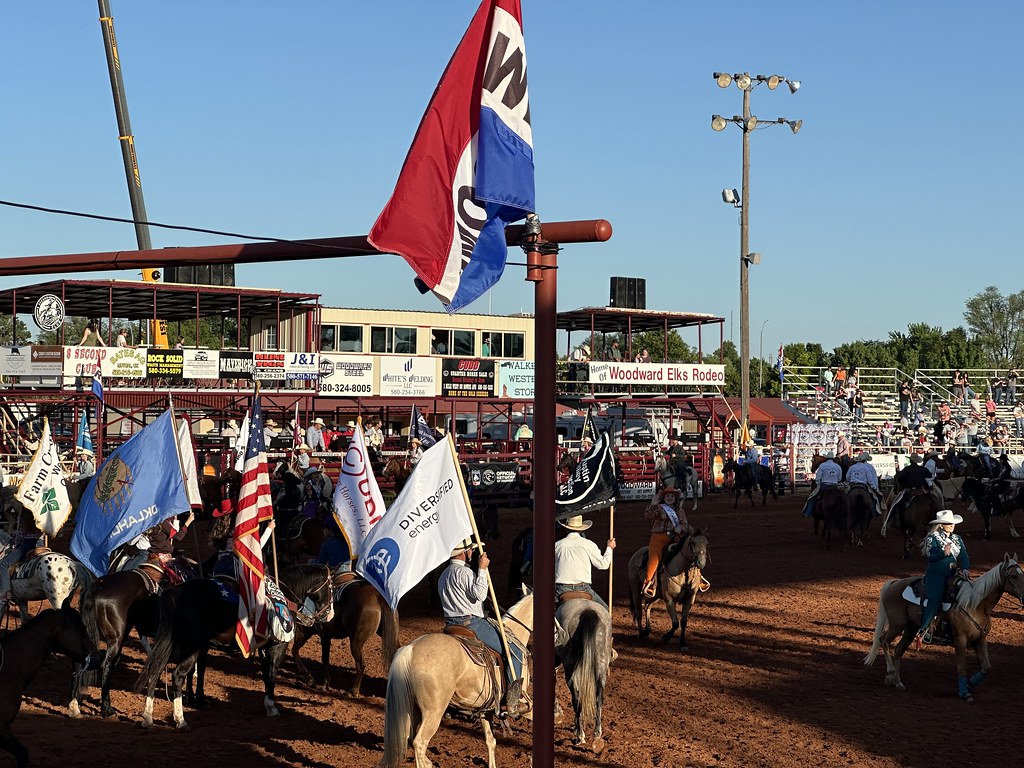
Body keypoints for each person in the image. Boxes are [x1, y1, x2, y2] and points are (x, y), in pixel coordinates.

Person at [438, 538, 523, 716]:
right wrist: (482, 570)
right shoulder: (466, 573)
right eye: (470, 550)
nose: (472, 553)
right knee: (514, 650)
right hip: (472, 624)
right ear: (464, 552)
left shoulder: (443, 575)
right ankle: (512, 701)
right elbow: (481, 594)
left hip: (450, 625)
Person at [917, 509, 970, 642]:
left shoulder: (957, 539)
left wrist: (965, 568)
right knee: (935, 599)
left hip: (953, 574)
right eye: (948, 523)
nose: (952, 525)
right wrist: (943, 554)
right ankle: (924, 630)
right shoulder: (932, 537)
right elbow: (931, 557)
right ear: (941, 525)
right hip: (936, 574)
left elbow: (963, 556)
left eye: (953, 523)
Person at [554, 515, 614, 609]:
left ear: (566, 529)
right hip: (584, 589)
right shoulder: (588, 544)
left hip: (562, 589)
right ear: (581, 530)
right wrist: (609, 548)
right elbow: (603, 565)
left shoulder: (557, 545)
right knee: (605, 609)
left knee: (545, 613)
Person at [641, 488, 687, 597]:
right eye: (668, 496)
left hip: (675, 537)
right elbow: (647, 516)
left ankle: (697, 578)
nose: (670, 498)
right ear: (664, 498)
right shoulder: (659, 508)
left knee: (689, 553)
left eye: (672, 496)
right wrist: (653, 504)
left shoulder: (680, 510)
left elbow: (685, 523)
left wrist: (680, 528)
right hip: (659, 537)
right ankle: (648, 584)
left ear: (675, 498)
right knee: (654, 560)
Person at [0, 506, 43, 614]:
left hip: (27, 545)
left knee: (4, 564)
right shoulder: (40, 512)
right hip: (40, 543)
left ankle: (5, 592)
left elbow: (20, 534)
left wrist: (14, 544)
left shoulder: (24, 514)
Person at [881, 453, 933, 536]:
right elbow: (929, 475)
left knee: (897, 504)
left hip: (909, 490)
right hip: (921, 489)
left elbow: (899, 478)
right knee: (933, 499)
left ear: (911, 460)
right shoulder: (922, 469)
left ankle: (896, 521)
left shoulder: (907, 469)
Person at [802, 452, 842, 518]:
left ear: (826, 458)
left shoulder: (822, 465)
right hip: (834, 487)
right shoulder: (837, 466)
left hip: (824, 486)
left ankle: (808, 512)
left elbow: (818, 477)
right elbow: (839, 478)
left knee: (812, 497)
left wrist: (818, 485)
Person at [845, 451, 883, 517]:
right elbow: (871, 479)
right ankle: (874, 512)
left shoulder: (852, 467)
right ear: (865, 460)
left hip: (853, 485)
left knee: (844, 497)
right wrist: (874, 487)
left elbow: (847, 477)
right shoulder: (868, 468)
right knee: (875, 498)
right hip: (864, 485)